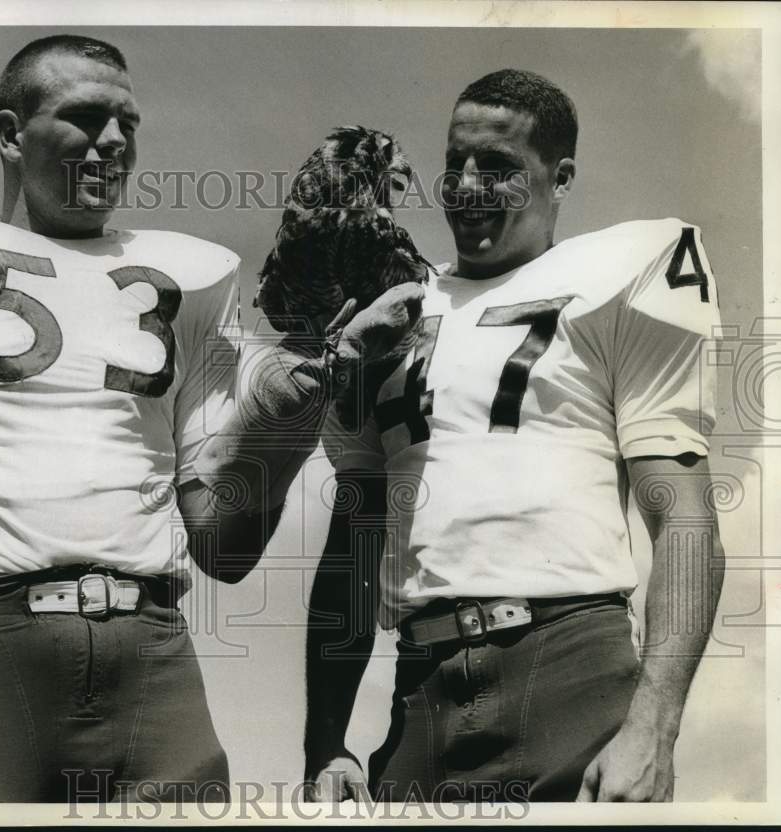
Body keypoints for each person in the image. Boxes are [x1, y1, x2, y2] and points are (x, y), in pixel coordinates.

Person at [0, 34, 420, 804]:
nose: (113, 142)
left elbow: (223, 546)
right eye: (86, 118)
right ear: (8, 133)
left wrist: (315, 393)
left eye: (128, 123)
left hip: (152, 660)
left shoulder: (194, 276)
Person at [304, 68, 725, 803]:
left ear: (559, 178)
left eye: (498, 169)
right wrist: (324, 743)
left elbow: (682, 512)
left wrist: (654, 724)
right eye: (455, 165)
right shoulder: (392, 309)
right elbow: (354, 533)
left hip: (571, 666)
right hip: (420, 692)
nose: (466, 186)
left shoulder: (620, 270)